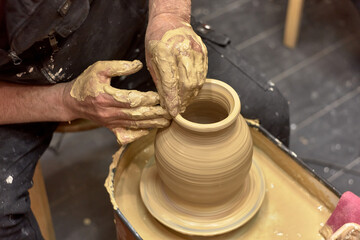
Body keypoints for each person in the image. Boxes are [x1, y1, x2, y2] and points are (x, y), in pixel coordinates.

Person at [0, 0, 289, 239]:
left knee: (266, 109)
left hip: (124, 21)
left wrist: (168, 16)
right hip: (22, 87)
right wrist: (63, 101)